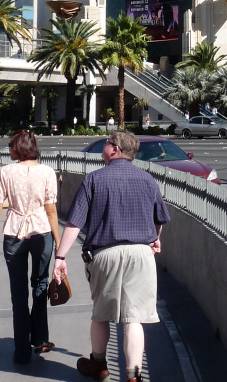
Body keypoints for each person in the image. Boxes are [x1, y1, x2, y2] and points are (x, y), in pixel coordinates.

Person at [54, 131, 171, 382]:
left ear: (115, 149)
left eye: (107, 143)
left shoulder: (94, 180)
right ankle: (133, 375)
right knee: (134, 317)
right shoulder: (147, 179)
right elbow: (159, 220)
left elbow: (74, 223)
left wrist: (60, 256)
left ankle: (98, 363)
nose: (104, 146)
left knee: (101, 313)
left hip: (105, 254)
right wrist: (155, 238)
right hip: (141, 254)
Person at [0, 131, 59, 364]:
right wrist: (58, 242)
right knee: (40, 284)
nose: (8, 149)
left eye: (10, 145)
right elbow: (51, 209)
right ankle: (40, 337)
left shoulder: (6, 172)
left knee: (18, 293)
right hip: (42, 231)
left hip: (14, 233)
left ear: (19, 147)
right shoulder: (47, 172)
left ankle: (22, 350)